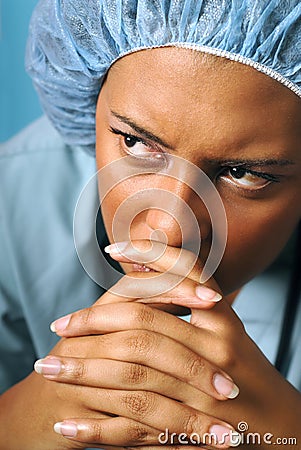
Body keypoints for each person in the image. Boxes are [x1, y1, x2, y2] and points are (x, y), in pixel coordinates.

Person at [0, 0, 300, 449]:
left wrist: (288, 432)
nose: (169, 228)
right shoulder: (17, 193)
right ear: (93, 104)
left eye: (245, 173)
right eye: (137, 142)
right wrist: (21, 421)